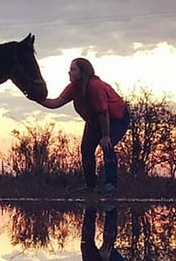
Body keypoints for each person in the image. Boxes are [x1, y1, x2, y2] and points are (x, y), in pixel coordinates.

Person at [40, 57, 130, 196]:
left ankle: (111, 186)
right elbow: (56, 103)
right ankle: (90, 186)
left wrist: (106, 136)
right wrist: (36, 98)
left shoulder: (96, 87)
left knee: (107, 145)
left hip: (116, 119)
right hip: (94, 120)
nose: (69, 72)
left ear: (83, 72)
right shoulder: (73, 88)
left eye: (73, 69)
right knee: (86, 149)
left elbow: (103, 112)